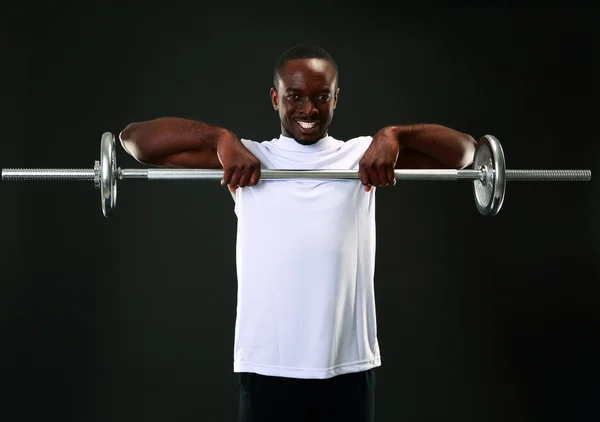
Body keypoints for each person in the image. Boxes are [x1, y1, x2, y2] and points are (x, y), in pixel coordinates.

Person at [119, 44, 477, 422]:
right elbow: (135, 142)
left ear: (336, 99)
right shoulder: (248, 161)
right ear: (276, 99)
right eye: (295, 96)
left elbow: (465, 154)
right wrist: (220, 138)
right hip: (267, 367)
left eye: (321, 96)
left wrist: (393, 136)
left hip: (347, 368)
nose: (309, 109)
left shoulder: (363, 158)